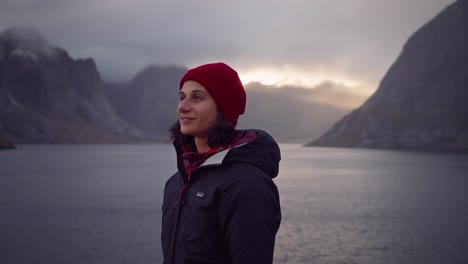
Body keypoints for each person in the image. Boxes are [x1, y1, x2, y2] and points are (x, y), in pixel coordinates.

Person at [161, 62, 282, 264]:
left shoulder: (247, 185)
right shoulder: (177, 182)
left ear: (223, 108)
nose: (183, 107)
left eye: (197, 97)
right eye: (182, 97)